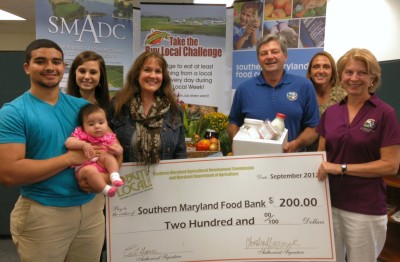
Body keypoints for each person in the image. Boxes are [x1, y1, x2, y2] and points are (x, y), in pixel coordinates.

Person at [0, 39, 105, 261]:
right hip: (44, 214)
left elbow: (108, 149)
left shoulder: (81, 108)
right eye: (40, 61)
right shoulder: (13, 113)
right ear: (27, 67)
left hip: (90, 212)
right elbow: (9, 174)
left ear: (63, 68)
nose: (50, 67)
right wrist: (68, 159)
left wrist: (101, 176)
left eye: (56, 62)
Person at [316, 48, 400, 262]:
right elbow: (320, 157)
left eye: (362, 73)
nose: (354, 78)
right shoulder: (331, 113)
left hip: (365, 209)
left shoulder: (384, 113)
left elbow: (390, 165)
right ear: (341, 76)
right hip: (330, 204)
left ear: (373, 78)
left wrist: (342, 167)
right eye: (348, 72)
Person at [228, 34, 320, 152]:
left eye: (274, 51)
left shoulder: (304, 86)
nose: (269, 57)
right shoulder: (244, 89)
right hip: (253, 163)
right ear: (258, 59)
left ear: (285, 56)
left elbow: (314, 128)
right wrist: (239, 147)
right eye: (264, 53)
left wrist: (295, 144)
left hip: (290, 163)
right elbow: (233, 124)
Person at [108, 51, 187, 164]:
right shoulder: (118, 105)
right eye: (147, 70)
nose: (153, 76)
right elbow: (104, 144)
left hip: (164, 180)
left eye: (158, 71)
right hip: (126, 179)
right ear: (137, 74)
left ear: (163, 77)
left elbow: (180, 154)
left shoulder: (174, 110)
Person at [65, 104, 123, 197]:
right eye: (91, 124)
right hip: (83, 168)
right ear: (83, 126)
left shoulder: (107, 136)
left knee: (108, 156)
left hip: (101, 164)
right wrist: (83, 144)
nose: (97, 126)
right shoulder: (81, 134)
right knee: (90, 171)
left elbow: (119, 149)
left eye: (101, 123)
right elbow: (68, 142)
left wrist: (116, 150)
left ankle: (114, 176)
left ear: (107, 123)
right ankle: (106, 189)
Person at [306, 51, 347, 151]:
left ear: (332, 72)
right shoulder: (303, 95)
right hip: (304, 155)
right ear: (310, 72)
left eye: (326, 67)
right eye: (316, 67)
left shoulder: (344, 97)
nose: (321, 71)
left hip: (336, 155)